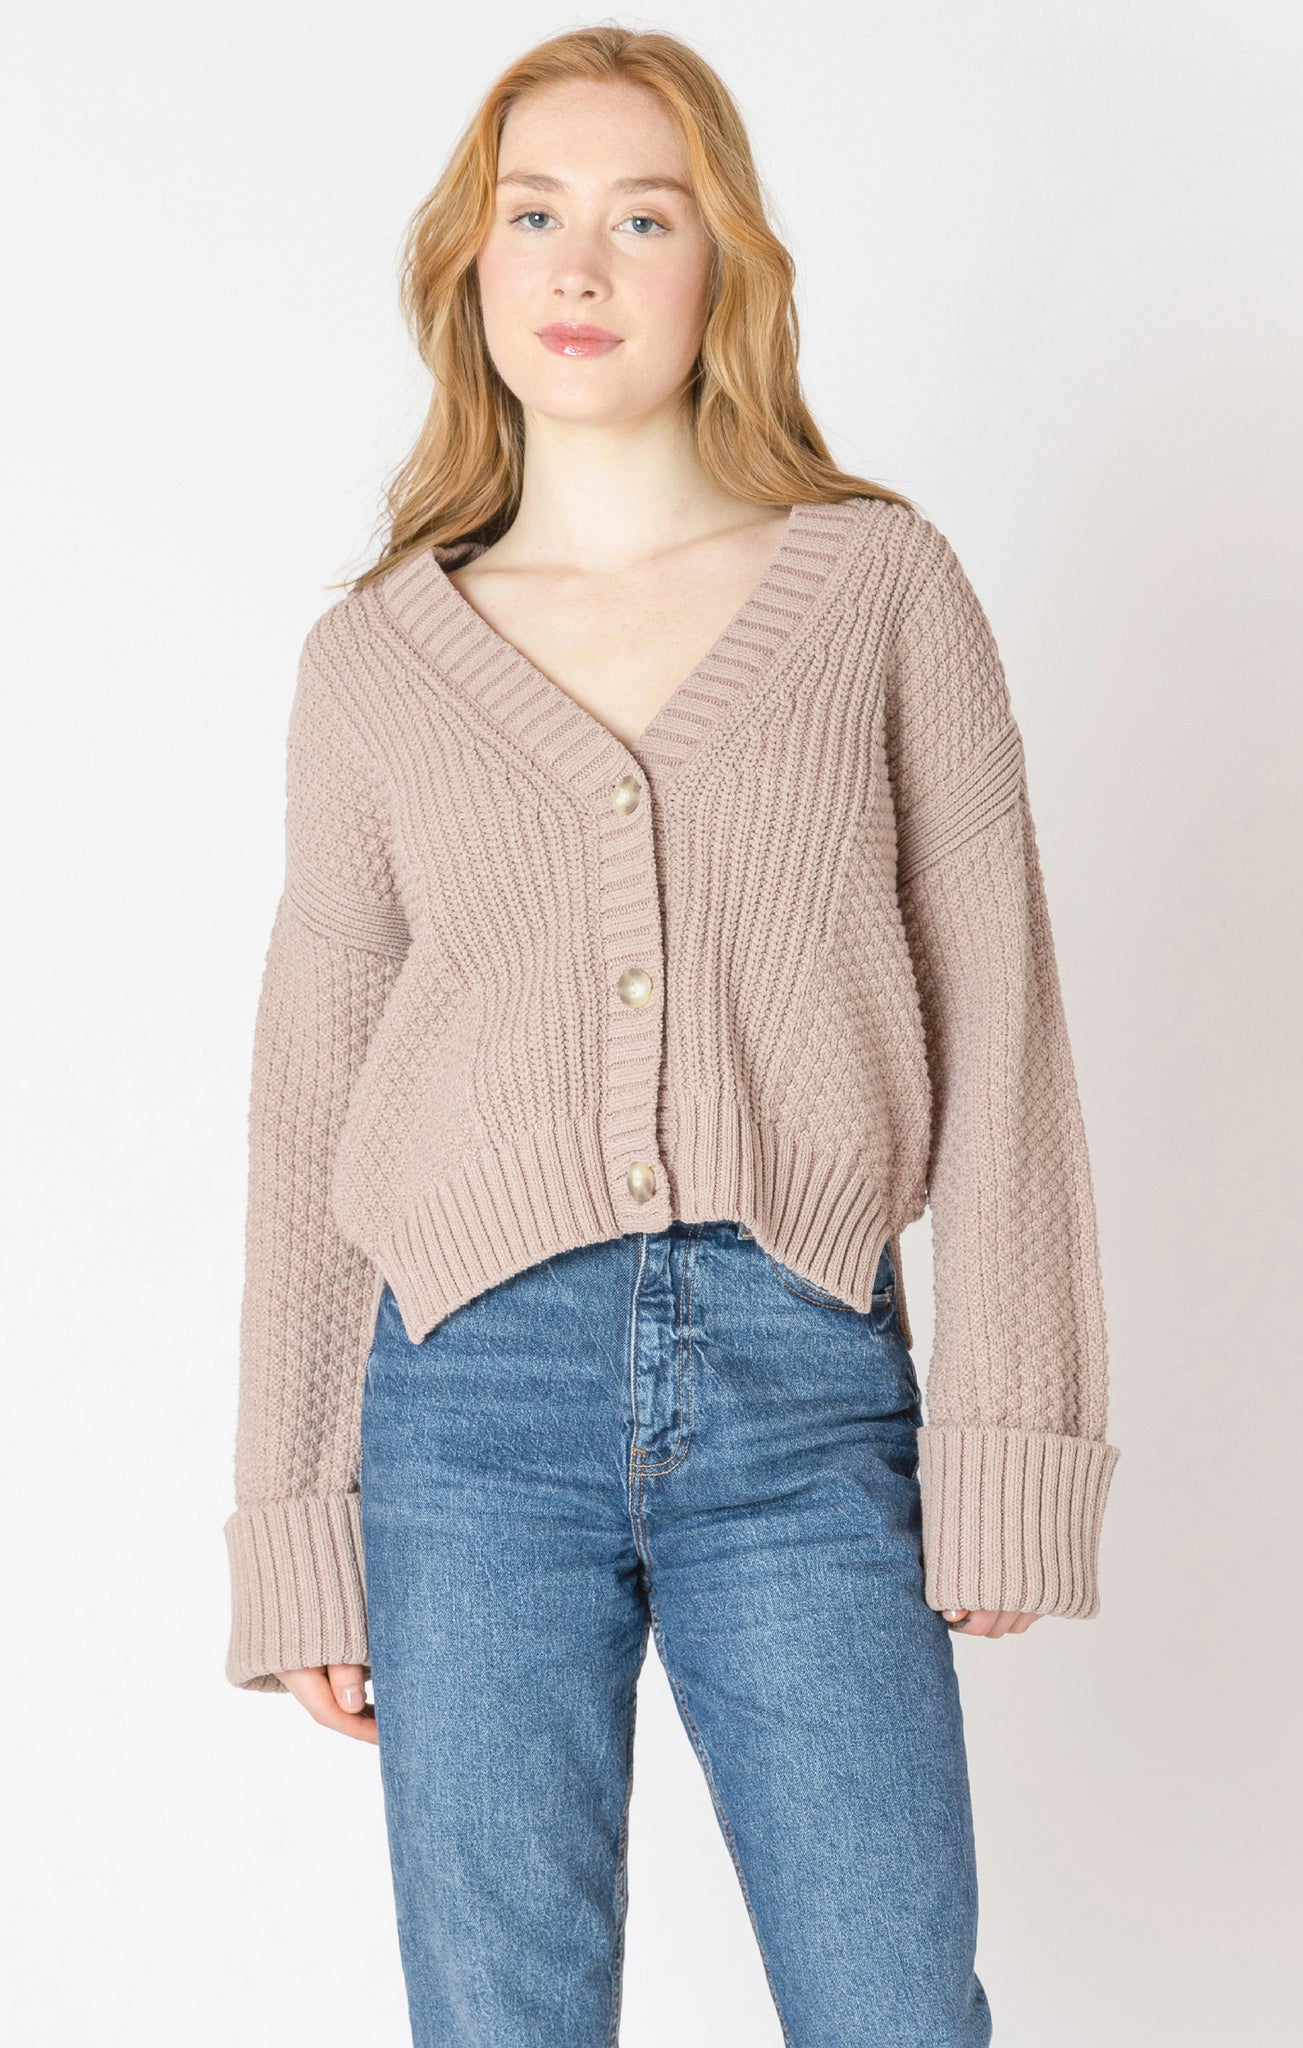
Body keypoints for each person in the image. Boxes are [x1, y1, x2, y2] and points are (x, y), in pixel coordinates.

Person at [222, 23, 1121, 2047]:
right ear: (468, 264)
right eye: (534, 213)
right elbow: (309, 1096)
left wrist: (1014, 1436)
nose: (580, 262)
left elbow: (1004, 1024)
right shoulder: (372, 660)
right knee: (500, 2019)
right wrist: (296, 1521)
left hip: (805, 1387)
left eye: (645, 217)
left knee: (895, 2008)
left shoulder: (880, 588)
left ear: (725, 265)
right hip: (462, 1413)